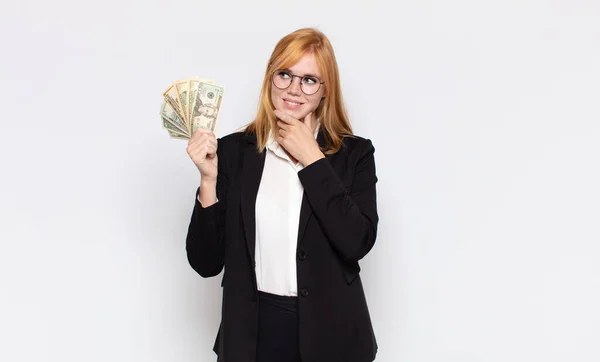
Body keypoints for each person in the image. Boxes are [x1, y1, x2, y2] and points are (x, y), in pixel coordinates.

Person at [185, 28, 379, 362]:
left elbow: (357, 242)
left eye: (309, 80)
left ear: (324, 90)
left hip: (332, 337)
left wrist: (313, 159)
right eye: (285, 75)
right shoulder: (234, 151)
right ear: (270, 78)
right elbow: (205, 263)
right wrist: (208, 181)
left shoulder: (354, 155)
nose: (293, 89)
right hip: (252, 334)